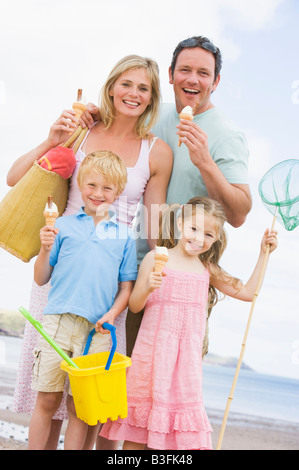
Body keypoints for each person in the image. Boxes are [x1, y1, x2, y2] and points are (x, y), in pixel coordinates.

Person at [8, 55, 173, 449]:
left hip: (107, 283)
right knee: (46, 394)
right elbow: (16, 178)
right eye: (127, 84)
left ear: (152, 99)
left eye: (144, 88)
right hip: (61, 266)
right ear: (112, 85)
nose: (133, 94)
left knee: (87, 401)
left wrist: (174, 272)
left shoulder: (157, 151)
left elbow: (155, 228)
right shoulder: (81, 130)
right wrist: (52, 138)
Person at [79, 36, 252, 356]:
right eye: (185, 69)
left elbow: (240, 214)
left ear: (215, 81)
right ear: (171, 74)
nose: (193, 79)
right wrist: (92, 114)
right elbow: (114, 129)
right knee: (118, 376)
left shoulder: (227, 135)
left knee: (169, 378)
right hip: (127, 269)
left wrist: (205, 163)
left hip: (183, 276)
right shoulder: (152, 116)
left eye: (203, 73)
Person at [100, 197, 278, 450]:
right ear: (181, 224)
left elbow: (248, 292)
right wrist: (149, 286)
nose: (198, 238)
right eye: (194, 229)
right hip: (152, 358)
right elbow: (135, 305)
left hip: (185, 367)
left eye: (208, 234)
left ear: (216, 239)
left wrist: (264, 254)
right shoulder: (155, 258)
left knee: (171, 440)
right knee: (137, 436)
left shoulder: (207, 268)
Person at [28, 151, 138, 450]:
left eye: (107, 188)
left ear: (118, 192)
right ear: (80, 183)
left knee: (82, 408)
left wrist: (111, 315)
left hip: (97, 331)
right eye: (91, 185)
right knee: (47, 399)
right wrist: (43, 248)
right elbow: (41, 277)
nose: (98, 194)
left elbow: (126, 288)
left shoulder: (125, 236)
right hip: (57, 322)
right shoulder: (62, 225)